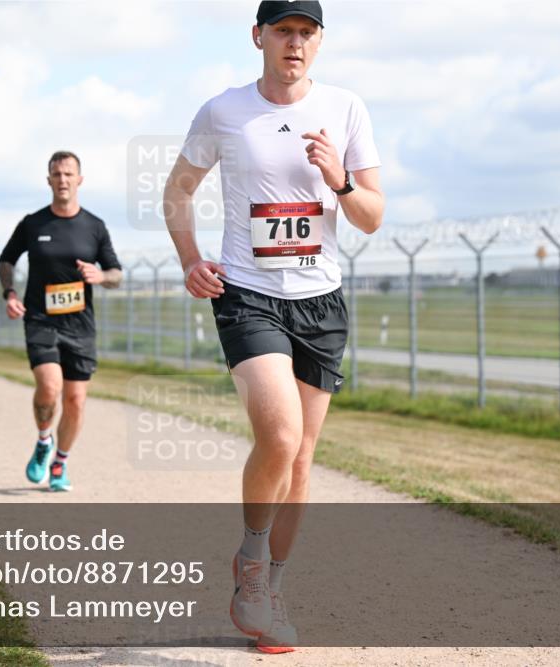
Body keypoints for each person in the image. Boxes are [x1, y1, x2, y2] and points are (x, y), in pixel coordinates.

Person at [162, 1, 384, 653]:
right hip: (248, 293)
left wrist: (338, 178)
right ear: (258, 36)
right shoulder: (223, 111)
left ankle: (270, 587)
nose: (295, 43)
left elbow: (371, 216)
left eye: (306, 33)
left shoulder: (346, 109)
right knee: (281, 435)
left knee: (304, 457)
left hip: (321, 301)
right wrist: (190, 259)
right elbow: (178, 190)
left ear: (319, 44)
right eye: (283, 31)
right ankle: (252, 565)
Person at [0, 150, 123, 492]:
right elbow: (7, 259)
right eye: (57, 174)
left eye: (69, 174)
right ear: (49, 180)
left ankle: (60, 463)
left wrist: (100, 276)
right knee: (50, 387)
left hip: (80, 326)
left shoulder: (94, 226)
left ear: (79, 180)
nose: (63, 179)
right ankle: (43, 440)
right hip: (40, 319)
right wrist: (10, 292)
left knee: (75, 400)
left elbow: (117, 274)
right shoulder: (33, 223)